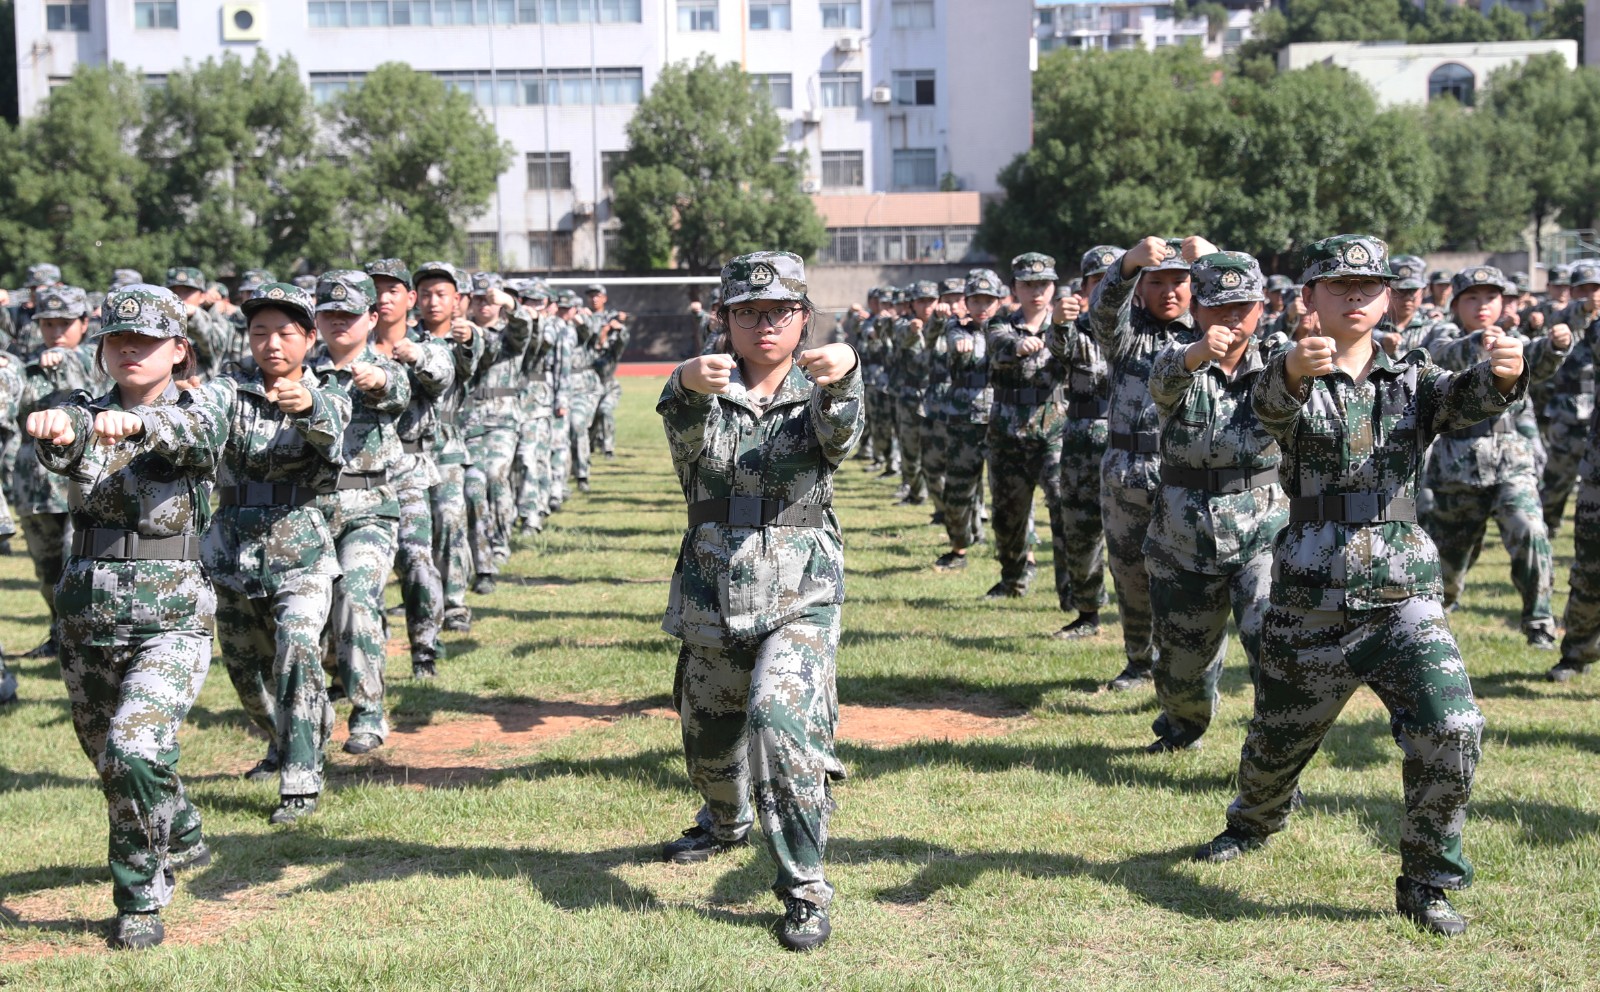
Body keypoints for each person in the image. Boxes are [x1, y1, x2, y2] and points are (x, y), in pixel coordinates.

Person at [1194, 234, 1523, 938]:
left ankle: (1429, 879)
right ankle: (1253, 823)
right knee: (1277, 743)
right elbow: (1260, 419)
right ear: (1307, 298)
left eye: (1368, 286)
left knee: (1453, 727)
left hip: (1402, 594)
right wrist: (1288, 373)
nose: (1355, 297)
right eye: (1338, 285)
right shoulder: (1280, 369)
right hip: (1309, 596)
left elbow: (1466, 403)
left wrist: (1502, 375)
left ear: (1388, 297)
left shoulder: (1412, 378)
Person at [656, 251, 862, 952]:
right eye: (747, 311)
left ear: (803, 318)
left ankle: (804, 887)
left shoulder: (823, 384)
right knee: (709, 741)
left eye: (779, 311)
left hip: (801, 592)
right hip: (713, 595)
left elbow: (839, 438)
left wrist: (845, 380)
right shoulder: (699, 389)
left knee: (778, 718)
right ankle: (725, 822)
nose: (764, 324)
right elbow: (680, 424)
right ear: (725, 320)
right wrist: (684, 379)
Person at [24, 284, 214, 950]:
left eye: (147, 339)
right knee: (114, 762)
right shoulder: (82, 409)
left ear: (178, 349)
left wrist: (139, 423)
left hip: (172, 616)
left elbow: (195, 435)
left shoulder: (203, 407)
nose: (131, 349)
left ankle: (139, 897)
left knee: (136, 745)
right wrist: (50, 429)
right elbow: (66, 441)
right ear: (102, 349)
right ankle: (180, 822)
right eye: (119, 339)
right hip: (86, 617)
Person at [137, 282, 351, 824]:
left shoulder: (331, 392)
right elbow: (200, 413)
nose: (272, 344)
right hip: (230, 552)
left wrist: (309, 407)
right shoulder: (228, 390)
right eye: (260, 333)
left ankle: (301, 776)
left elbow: (333, 436)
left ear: (308, 337)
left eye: (284, 333)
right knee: (245, 672)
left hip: (299, 550)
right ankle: (281, 737)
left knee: (297, 647)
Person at [1144, 251, 1286, 752]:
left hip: (1265, 528)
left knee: (1274, 642)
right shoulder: (1177, 358)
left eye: (1243, 305)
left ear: (1262, 306)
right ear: (1197, 309)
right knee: (1183, 661)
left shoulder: (1281, 361)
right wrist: (1198, 352)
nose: (1232, 316)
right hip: (1184, 533)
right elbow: (1163, 381)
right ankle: (1183, 730)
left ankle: (1275, 759)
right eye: (1219, 305)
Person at [1422, 265, 1568, 649]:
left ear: (1503, 302)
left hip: (1512, 467)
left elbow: (1536, 359)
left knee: (1530, 533)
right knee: (1448, 567)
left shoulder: (1513, 340)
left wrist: (1555, 345)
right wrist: (1478, 342)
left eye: (1490, 298)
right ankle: (1432, 623)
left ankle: (1539, 621)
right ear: (1455, 303)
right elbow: (1442, 354)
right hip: (1456, 471)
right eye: (1472, 298)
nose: (1482, 305)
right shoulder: (1442, 334)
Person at [1085, 238, 1198, 689]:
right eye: (1157, 282)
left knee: (1189, 576)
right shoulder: (1129, 335)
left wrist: (1210, 261)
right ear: (1142, 288)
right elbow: (1103, 310)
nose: (1169, 291)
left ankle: (1184, 668)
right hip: (1129, 470)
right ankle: (1139, 661)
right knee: (1130, 573)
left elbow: (1245, 306)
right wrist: (1128, 263)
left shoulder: (1211, 332)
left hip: (1187, 475)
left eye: (1179, 281)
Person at [310, 271, 410, 752]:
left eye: (348, 315)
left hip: (368, 508)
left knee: (354, 595)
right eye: (329, 314)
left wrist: (375, 379)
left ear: (371, 318)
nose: (338, 324)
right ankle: (317, 703)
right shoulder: (299, 369)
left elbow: (395, 391)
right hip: (306, 511)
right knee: (318, 614)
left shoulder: (383, 366)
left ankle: (368, 711)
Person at [366, 258, 454, 679]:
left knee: (417, 560)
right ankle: (363, 659)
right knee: (360, 571)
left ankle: (424, 648)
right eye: (375, 289)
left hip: (407, 466)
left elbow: (442, 376)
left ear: (410, 299)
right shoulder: (351, 343)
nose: (383, 298)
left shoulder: (427, 344)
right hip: (357, 471)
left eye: (392, 290)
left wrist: (417, 357)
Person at [14, 285, 99, 659]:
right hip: (35, 485)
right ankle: (57, 634)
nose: (56, 332)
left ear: (84, 323)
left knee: (74, 563)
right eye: (48, 324)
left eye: (65, 323)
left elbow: (93, 384)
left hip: (81, 482)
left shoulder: (98, 359)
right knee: (47, 573)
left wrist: (65, 359)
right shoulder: (24, 365)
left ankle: (81, 641)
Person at [984, 254, 1068, 600]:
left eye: (1044, 284)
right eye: (1028, 284)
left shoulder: (1063, 324)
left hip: (1055, 431)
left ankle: (1071, 588)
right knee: (1008, 514)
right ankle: (1013, 579)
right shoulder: (1000, 322)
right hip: (1007, 432)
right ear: (1015, 287)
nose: (1037, 291)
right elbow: (999, 343)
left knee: (1064, 509)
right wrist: (1019, 345)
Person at [1047, 246, 1119, 637]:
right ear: (1085, 289)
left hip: (1134, 445)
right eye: (1098, 283)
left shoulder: (1143, 332)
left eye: (1115, 282)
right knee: (1080, 530)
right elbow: (1058, 348)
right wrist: (1058, 322)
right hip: (1081, 443)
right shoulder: (1079, 333)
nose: (1106, 290)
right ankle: (1088, 612)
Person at [413, 262, 484, 633]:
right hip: (408, 449)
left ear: (457, 300)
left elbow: (472, 358)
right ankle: (424, 599)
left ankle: (455, 602)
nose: (433, 301)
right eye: (425, 294)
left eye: (441, 294)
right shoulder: (405, 338)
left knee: (450, 521)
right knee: (417, 529)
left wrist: (468, 337)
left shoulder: (464, 338)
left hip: (447, 448)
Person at [933, 269, 1004, 571]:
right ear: (967, 302)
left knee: (1008, 493)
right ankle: (959, 549)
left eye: (988, 300)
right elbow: (949, 339)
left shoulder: (1010, 329)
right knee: (959, 491)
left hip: (1001, 421)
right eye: (976, 300)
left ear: (999, 302)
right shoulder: (956, 327)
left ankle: (1016, 554)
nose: (982, 307)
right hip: (964, 423)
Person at [1539, 261, 1600, 535]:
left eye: (1595, 289)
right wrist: (1586, 307)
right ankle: (1547, 525)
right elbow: (1563, 318)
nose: (1590, 295)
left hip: (1595, 413)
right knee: (1557, 477)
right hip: (1568, 412)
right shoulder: (1563, 316)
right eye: (1583, 290)